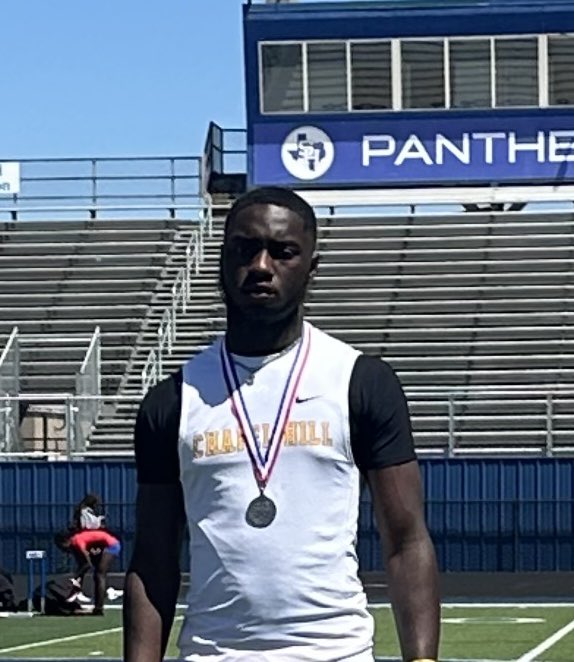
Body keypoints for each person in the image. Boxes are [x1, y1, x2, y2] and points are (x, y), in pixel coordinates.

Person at [124, 187, 440, 661]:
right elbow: (153, 560)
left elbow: (406, 539)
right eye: (245, 249)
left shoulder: (360, 382)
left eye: (282, 251)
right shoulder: (171, 401)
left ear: (311, 266)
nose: (261, 266)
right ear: (221, 262)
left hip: (334, 652)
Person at [55, 527, 121, 615]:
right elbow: (82, 565)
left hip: (111, 545)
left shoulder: (77, 541)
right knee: (95, 575)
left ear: (66, 541)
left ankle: (99, 608)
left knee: (99, 575)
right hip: (101, 546)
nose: (62, 550)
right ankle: (95, 606)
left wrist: (75, 577)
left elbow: (87, 564)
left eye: (60, 546)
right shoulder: (74, 546)